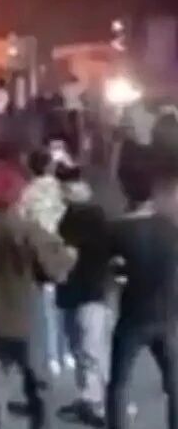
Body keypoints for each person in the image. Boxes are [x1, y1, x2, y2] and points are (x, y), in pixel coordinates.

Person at [0, 157, 76, 429]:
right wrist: (69, 255)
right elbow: (55, 268)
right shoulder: (25, 228)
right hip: (26, 315)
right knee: (39, 386)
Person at [106, 157, 178, 429]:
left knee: (119, 383)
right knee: (174, 382)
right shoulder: (170, 228)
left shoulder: (117, 231)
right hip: (167, 313)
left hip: (133, 315)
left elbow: (111, 269)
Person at [56, 168, 114, 425]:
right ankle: (91, 397)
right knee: (86, 348)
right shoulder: (80, 215)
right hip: (86, 291)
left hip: (87, 291)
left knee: (89, 349)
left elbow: (70, 254)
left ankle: (97, 402)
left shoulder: (84, 218)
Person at [18, 149, 72, 376]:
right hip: (60, 248)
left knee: (47, 307)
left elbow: (22, 222)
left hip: (40, 252)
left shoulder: (27, 193)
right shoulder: (61, 190)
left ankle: (52, 357)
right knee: (64, 304)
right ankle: (66, 350)